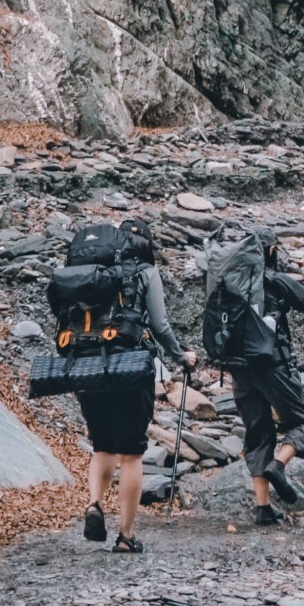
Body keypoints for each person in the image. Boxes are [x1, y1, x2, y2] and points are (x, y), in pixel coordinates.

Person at [80, 218, 194, 556]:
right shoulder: (146, 271)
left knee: (102, 445)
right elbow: (159, 324)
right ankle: (126, 536)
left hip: (87, 362)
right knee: (130, 453)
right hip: (131, 364)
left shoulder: (92, 268)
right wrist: (181, 356)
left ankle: (94, 504)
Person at [228, 238, 304, 529]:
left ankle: (263, 509)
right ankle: (279, 465)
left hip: (239, 368)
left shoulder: (230, 282)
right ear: (271, 251)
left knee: (258, 433)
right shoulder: (273, 279)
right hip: (272, 366)